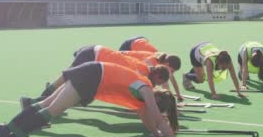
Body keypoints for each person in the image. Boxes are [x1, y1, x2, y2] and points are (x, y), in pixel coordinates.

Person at [0, 61, 188, 137]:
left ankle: (10, 133)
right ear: (157, 100)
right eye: (159, 108)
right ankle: (6, 132)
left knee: (46, 104)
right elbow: (156, 116)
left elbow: (146, 117)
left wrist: (155, 133)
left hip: (92, 71)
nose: (156, 110)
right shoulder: (146, 90)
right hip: (92, 78)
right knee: (52, 111)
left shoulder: (143, 92)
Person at [23, 45, 170, 107]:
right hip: (95, 56)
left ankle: (39, 102)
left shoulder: (146, 68)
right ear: (156, 74)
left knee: (68, 81)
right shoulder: (143, 74)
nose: (156, 85)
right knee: (68, 80)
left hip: (96, 54)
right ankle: (33, 103)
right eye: (159, 82)